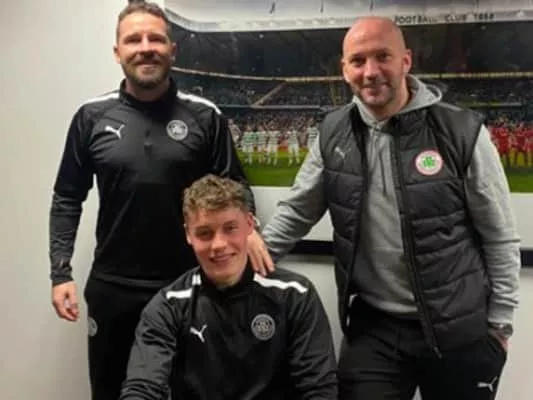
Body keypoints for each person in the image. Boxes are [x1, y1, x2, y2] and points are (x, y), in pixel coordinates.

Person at [249, 16, 521, 400]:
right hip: (375, 328)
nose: (371, 71)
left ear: (406, 61)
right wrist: (243, 267)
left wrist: (500, 326)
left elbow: (499, 234)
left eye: (383, 57)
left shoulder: (461, 131)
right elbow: (297, 212)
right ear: (344, 69)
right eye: (358, 61)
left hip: (459, 329)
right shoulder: (333, 132)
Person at [48, 3, 260, 400]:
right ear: (117, 52)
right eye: (134, 40)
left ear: (172, 50)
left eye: (156, 39)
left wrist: (250, 233)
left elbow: (236, 188)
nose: (146, 48)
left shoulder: (205, 116)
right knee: (112, 392)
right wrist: (60, 273)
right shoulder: (90, 116)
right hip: (113, 288)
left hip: (190, 286)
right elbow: (67, 197)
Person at [119, 174, 338, 400]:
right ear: (188, 234)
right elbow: (142, 388)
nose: (219, 244)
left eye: (230, 228)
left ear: (250, 225)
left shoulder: (295, 295)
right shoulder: (168, 307)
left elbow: (319, 389)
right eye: (204, 233)